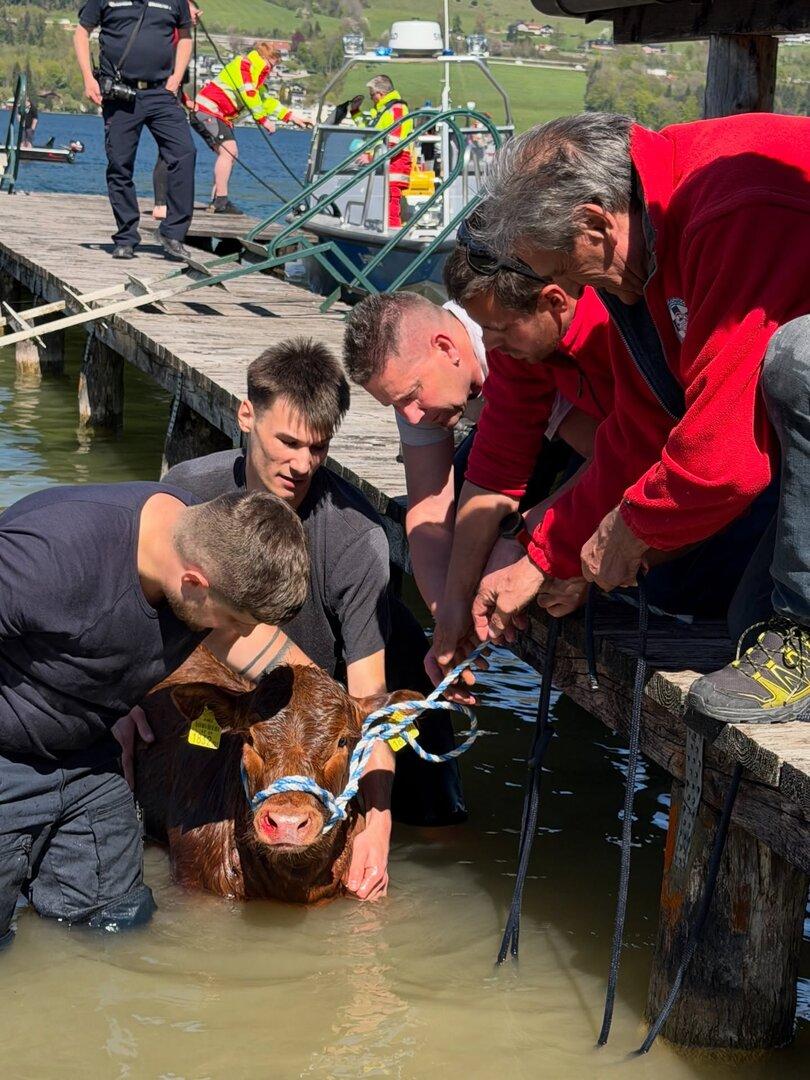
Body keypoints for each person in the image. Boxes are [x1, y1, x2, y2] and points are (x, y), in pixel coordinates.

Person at [472, 111, 810, 723]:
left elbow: (721, 460)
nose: (570, 293)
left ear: (596, 224)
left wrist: (630, 528)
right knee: (748, 625)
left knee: (799, 361)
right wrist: (548, 555)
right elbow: (643, 426)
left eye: (562, 274)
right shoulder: (642, 243)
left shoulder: (728, 213)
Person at [157, 338, 466, 901]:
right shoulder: (185, 495)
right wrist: (123, 707)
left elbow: (368, 704)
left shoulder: (357, 538)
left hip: (332, 710)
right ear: (246, 415)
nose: (301, 465)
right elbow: (145, 610)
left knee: (440, 823)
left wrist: (378, 826)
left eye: (318, 449)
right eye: (287, 442)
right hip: (238, 699)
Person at [0, 483, 309, 947]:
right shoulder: (50, 555)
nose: (240, 636)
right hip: (7, 759)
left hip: (90, 760)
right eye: (235, 622)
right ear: (193, 583)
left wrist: (357, 722)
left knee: (120, 927)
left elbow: (273, 658)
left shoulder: (204, 544)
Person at [342, 254, 615, 684]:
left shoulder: (517, 341)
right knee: (470, 542)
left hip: (586, 434)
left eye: (411, 396)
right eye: (395, 404)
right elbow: (428, 509)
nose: (409, 417)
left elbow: (617, 459)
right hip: (512, 440)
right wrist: (448, 618)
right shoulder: (415, 389)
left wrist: (538, 542)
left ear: (447, 348)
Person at [74, 0, 197, 261]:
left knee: (184, 153)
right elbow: (82, 32)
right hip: (121, 93)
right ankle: (126, 237)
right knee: (120, 164)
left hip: (161, 92)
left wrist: (176, 78)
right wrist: (88, 78)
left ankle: (173, 233)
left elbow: (185, 36)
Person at [191, 41, 311, 214]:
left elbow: (265, 101)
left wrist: (292, 117)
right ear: (264, 58)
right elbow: (250, 95)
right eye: (272, 65)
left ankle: (217, 201)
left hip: (216, 115)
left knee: (228, 155)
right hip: (207, 110)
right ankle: (221, 201)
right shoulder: (246, 67)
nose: (272, 71)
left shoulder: (254, 73)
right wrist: (263, 120)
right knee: (229, 152)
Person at [356, 75, 412, 228]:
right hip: (384, 159)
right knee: (385, 199)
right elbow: (368, 131)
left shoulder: (397, 108)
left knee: (391, 200)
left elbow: (395, 141)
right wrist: (355, 112)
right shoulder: (381, 110)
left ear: (380, 94)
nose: (371, 98)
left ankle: (392, 233)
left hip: (396, 161)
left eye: (371, 95)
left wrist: (373, 157)